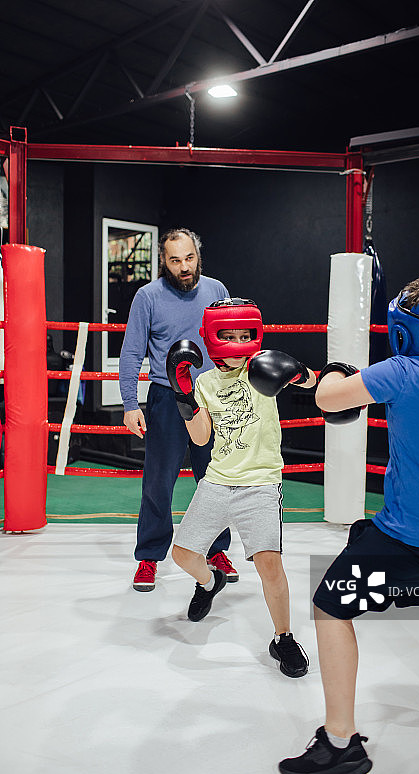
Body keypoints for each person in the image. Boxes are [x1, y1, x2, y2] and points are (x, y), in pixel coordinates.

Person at [278, 273, 419, 774]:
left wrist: (329, 375)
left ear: (404, 329)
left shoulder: (401, 371)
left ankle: (339, 743)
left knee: (329, 606)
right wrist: (335, 379)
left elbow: (329, 400)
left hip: (409, 534)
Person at [166, 298, 316, 678]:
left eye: (243, 334)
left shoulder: (261, 368)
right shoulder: (204, 382)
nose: (236, 342)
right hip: (217, 480)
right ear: (213, 337)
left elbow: (313, 381)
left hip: (261, 484)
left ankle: (283, 638)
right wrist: (185, 399)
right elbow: (200, 439)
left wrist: (297, 370)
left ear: (255, 335)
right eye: (228, 335)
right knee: (182, 555)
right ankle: (209, 580)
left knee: (270, 565)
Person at [119, 227, 238, 592]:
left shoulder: (218, 291)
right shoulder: (148, 296)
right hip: (167, 397)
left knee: (216, 479)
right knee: (158, 481)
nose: (184, 267)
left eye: (189, 258)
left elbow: (231, 343)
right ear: (164, 262)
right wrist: (129, 404)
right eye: (175, 260)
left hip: (212, 397)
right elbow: (131, 352)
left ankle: (217, 550)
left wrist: (235, 392)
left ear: (197, 255)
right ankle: (149, 558)